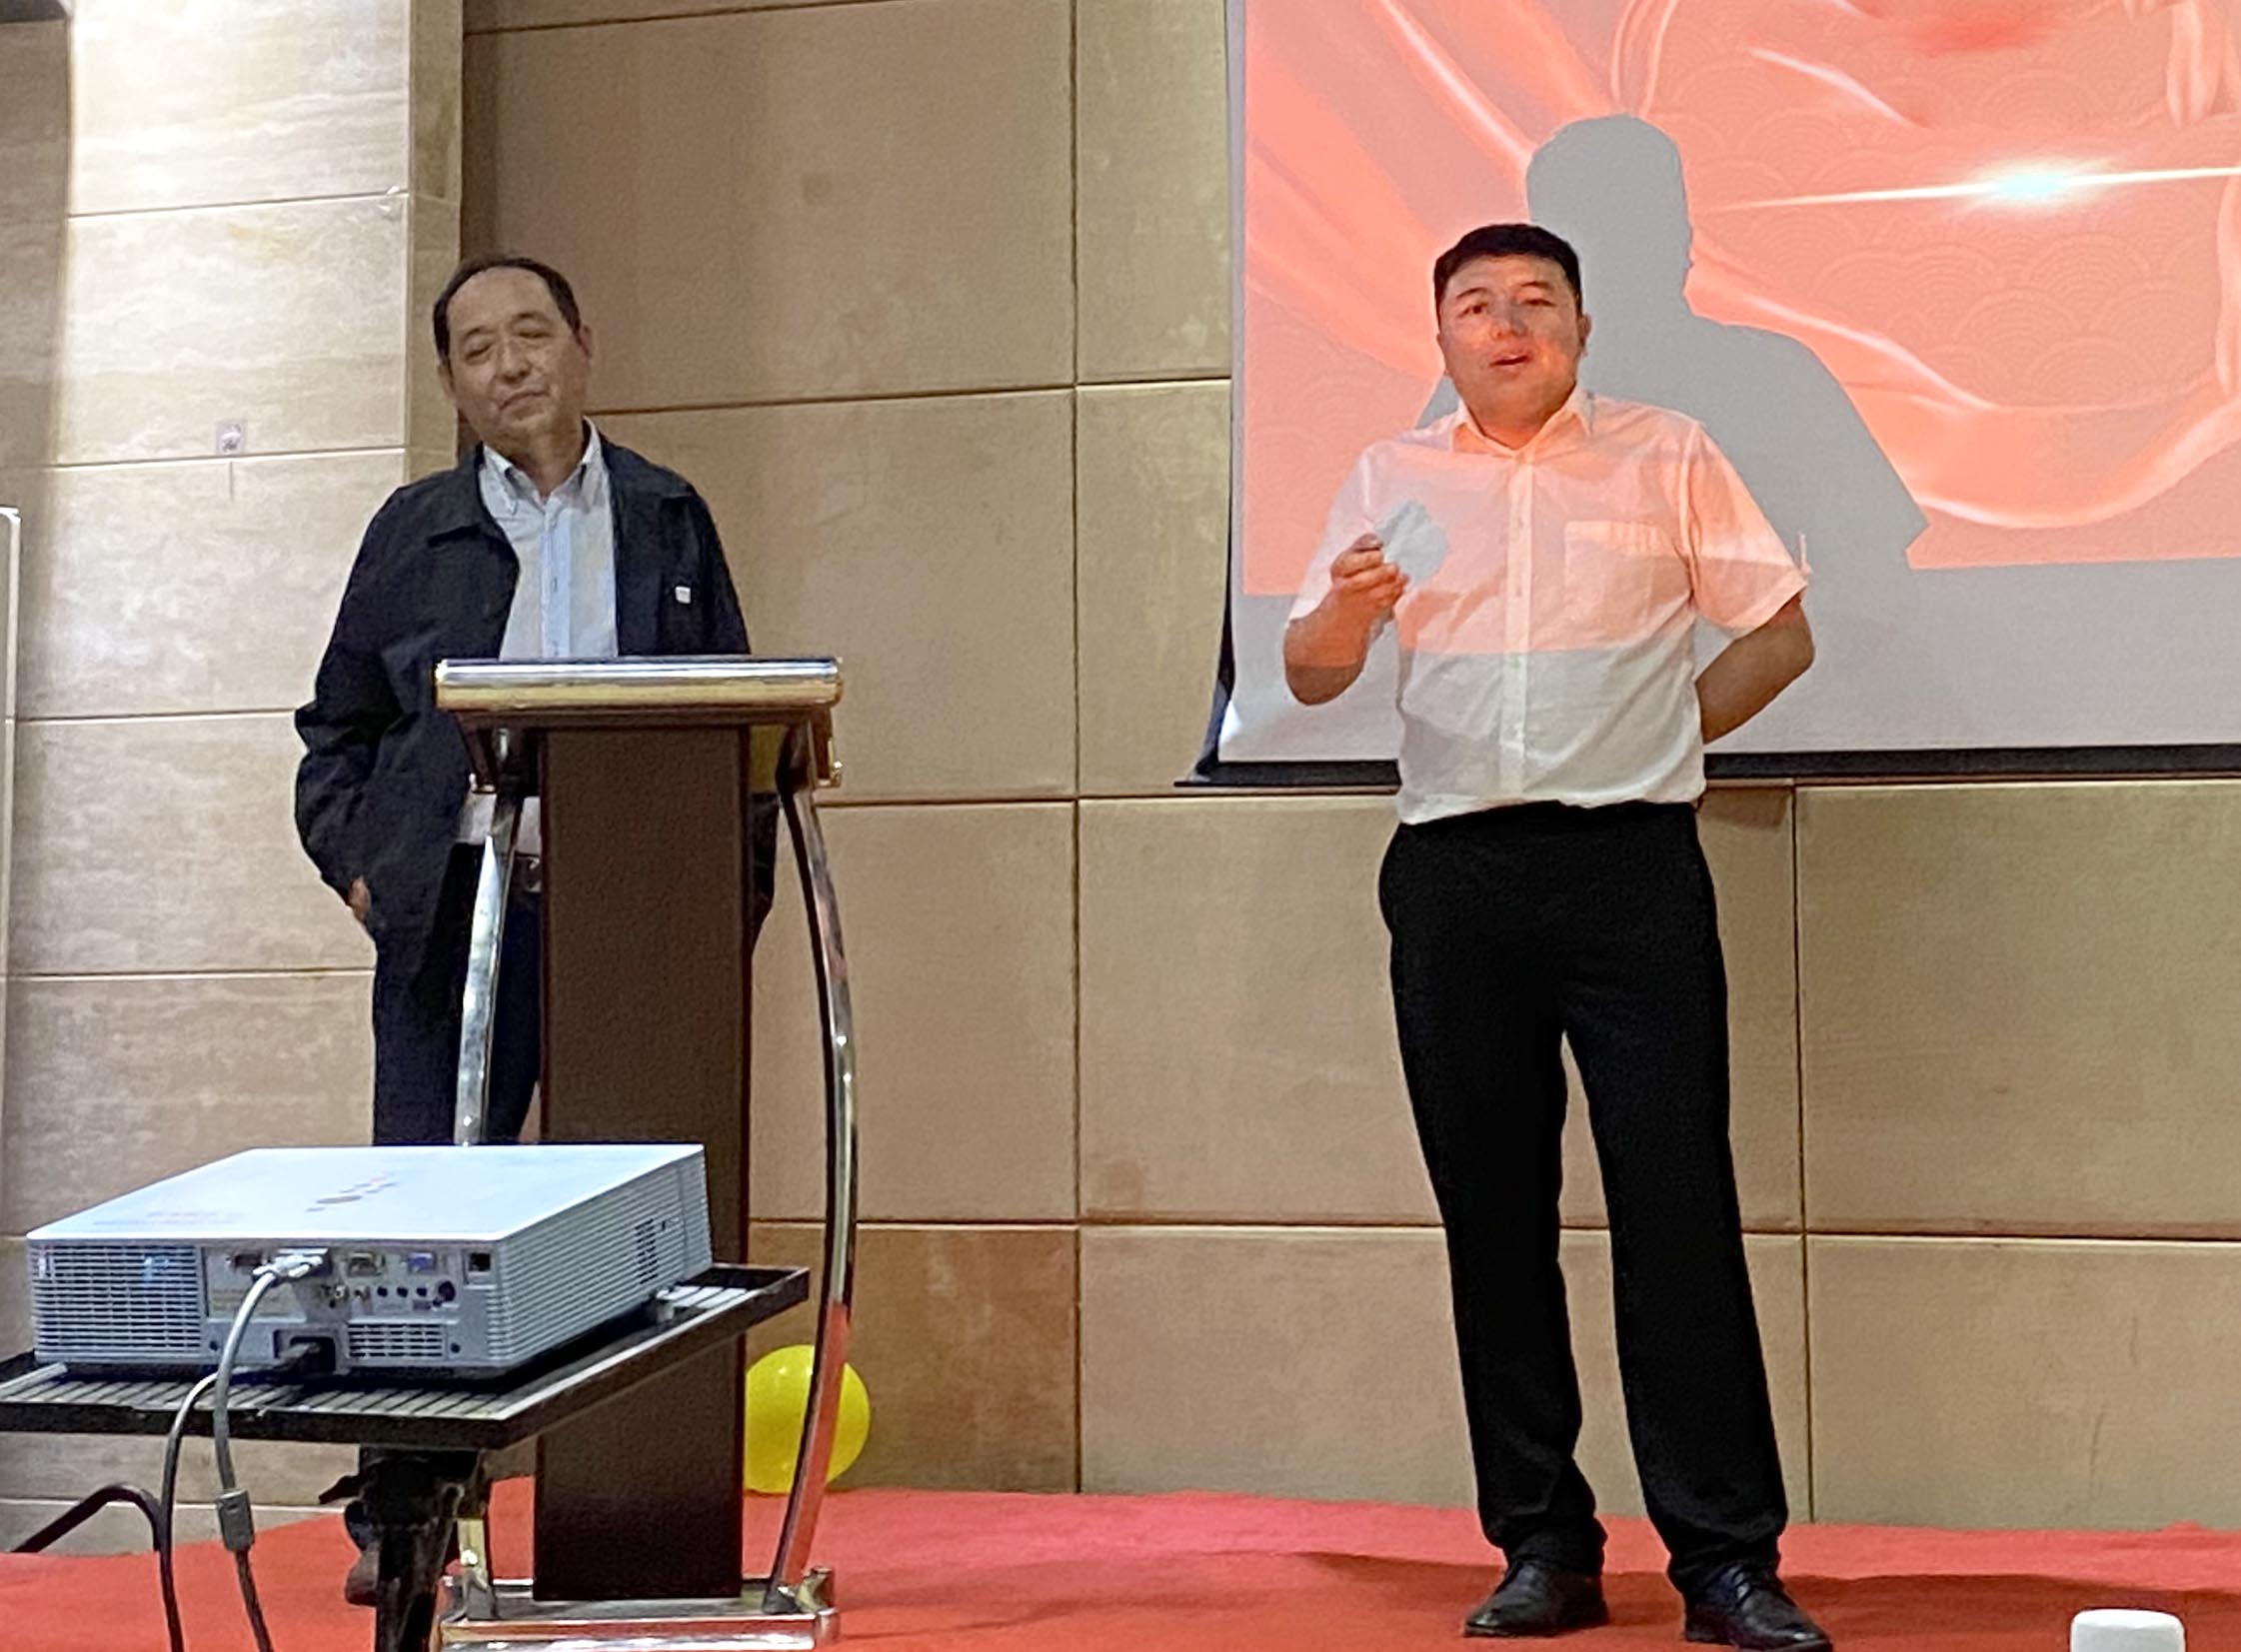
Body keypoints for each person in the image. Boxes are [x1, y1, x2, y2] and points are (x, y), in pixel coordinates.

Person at [1283, 224, 1829, 1650]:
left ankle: (1725, 1560)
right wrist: (1341, 612)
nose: (1507, 322)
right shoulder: (1390, 476)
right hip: (1454, 877)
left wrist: (1665, 733)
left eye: (1537, 300)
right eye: (1476, 304)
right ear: (1442, 337)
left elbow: (1778, 633)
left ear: (1583, 327)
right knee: (1494, 1217)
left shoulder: (1666, 451)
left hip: (1628, 870)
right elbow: (1310, 671)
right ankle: (1541, 1542)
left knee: (1677, 1209)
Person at [292, 251, 771, 1602]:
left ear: (582, 345)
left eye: (532, 334)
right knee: (422, 1220)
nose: (510, 365)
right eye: (477, 348)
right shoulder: (416, 529)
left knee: (636, 1213)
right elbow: (334, 731)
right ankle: (406, 1511)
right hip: (456, 913)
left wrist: (720, 897)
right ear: (451, 383)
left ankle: (640, 1507)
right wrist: (368, 873)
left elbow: (736, 724)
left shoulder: (666, 513)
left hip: (629, 914)